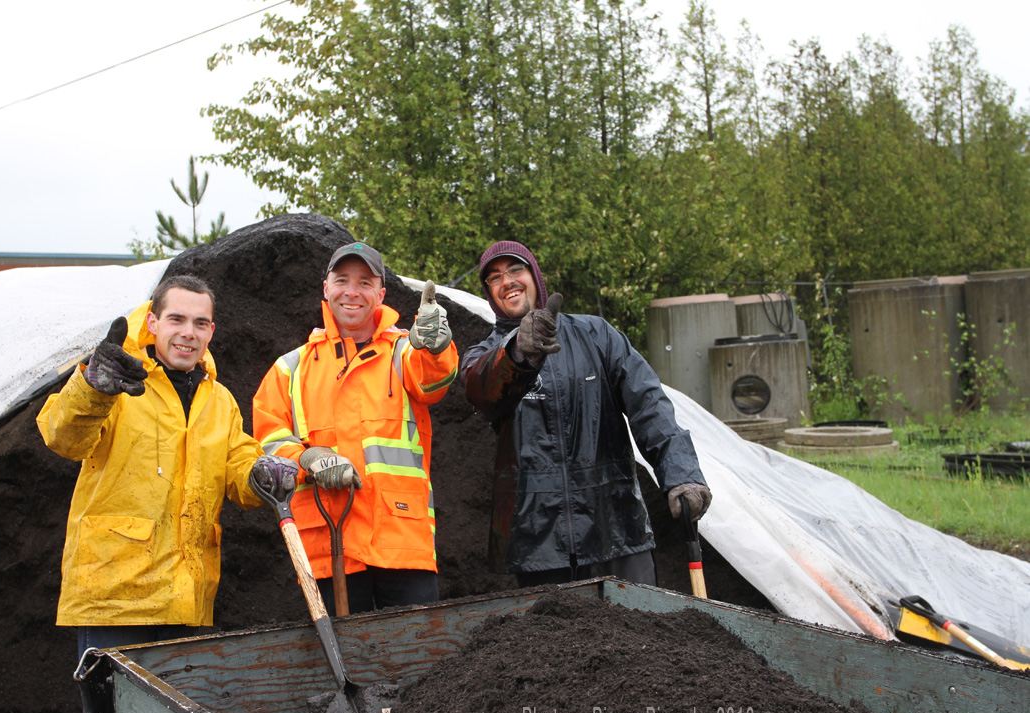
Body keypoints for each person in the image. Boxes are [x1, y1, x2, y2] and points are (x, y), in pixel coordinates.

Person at [37, 274, 297, 659]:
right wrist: (92, 389)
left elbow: (236, 463)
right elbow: (64, 438)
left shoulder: (220, 399)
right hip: (114, 595)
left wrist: (258, 474)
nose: (188, 333)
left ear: (212, 331)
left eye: (200, 323)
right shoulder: (119, 384)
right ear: (153, 323)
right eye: (176, 320)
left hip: (186, 596)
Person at [462, 241, 712, 588]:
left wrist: (681, 473)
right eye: (494, 277)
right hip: (537, 541)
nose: (507, 281)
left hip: (616, 527)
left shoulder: (598, 336)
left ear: (535, 275)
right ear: (490, 293)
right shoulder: (485, 354)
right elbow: (484, 392)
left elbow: (649, 406)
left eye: (515, 270)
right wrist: (519, 350)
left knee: (641, 637)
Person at [252, 242, 459, 615]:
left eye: (364, 282)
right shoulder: (290, 368)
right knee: (348, 663)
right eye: (342, 280)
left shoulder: (404, 351)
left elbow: (434, 381)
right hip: (329, 543)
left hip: (400, 539)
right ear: (326, 288)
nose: (352, 291)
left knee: (416, 660)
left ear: (381, 294)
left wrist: (434, 346)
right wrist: (307, 458)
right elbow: (267, 442)